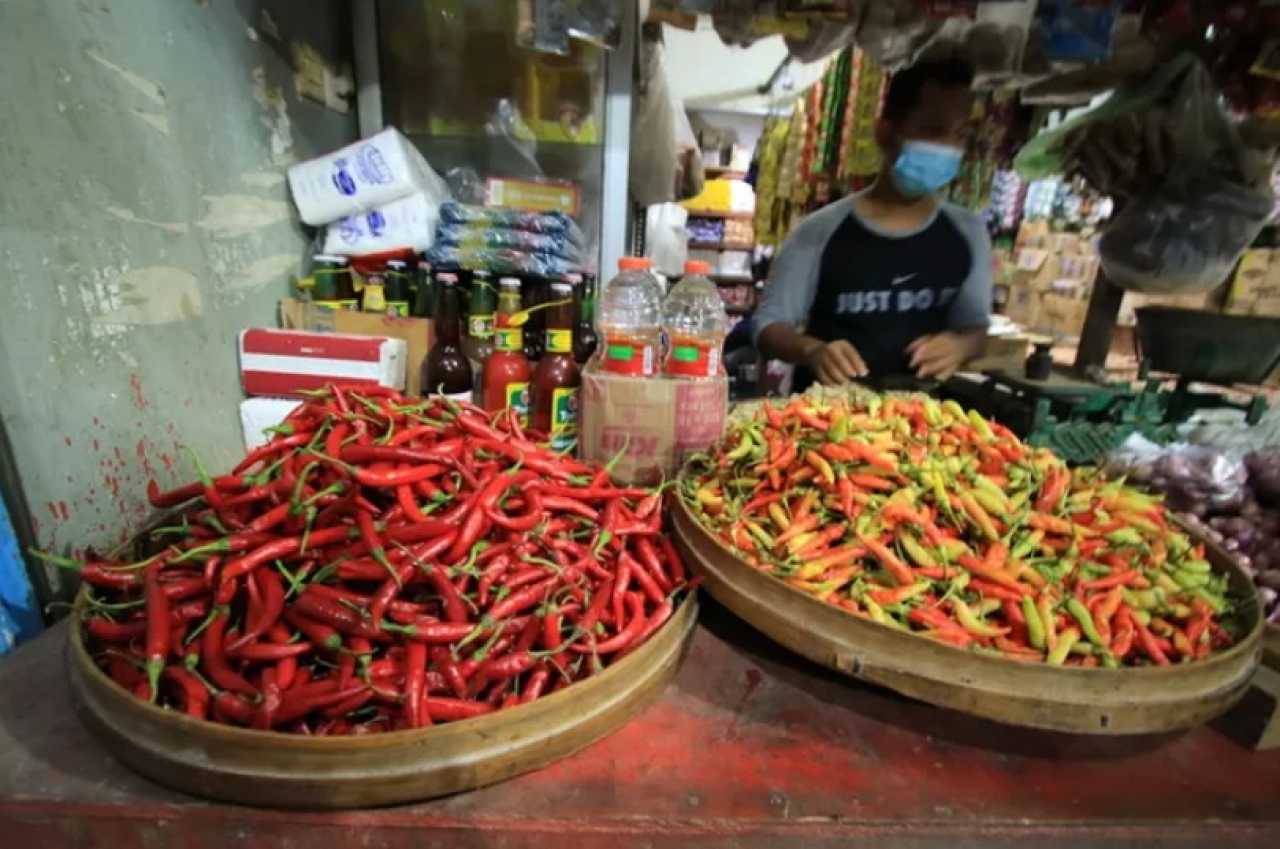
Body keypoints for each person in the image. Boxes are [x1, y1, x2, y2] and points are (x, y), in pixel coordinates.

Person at [754, 56, 992, 390]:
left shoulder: (969, 232)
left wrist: (961, 345)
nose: (948, 147)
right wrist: (812, 350)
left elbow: (976, 330)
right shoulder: (819, 230)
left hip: (924, 426)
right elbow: (768, 326)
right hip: (828, 422)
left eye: (960, 134)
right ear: (886, 135)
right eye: (933, 130)